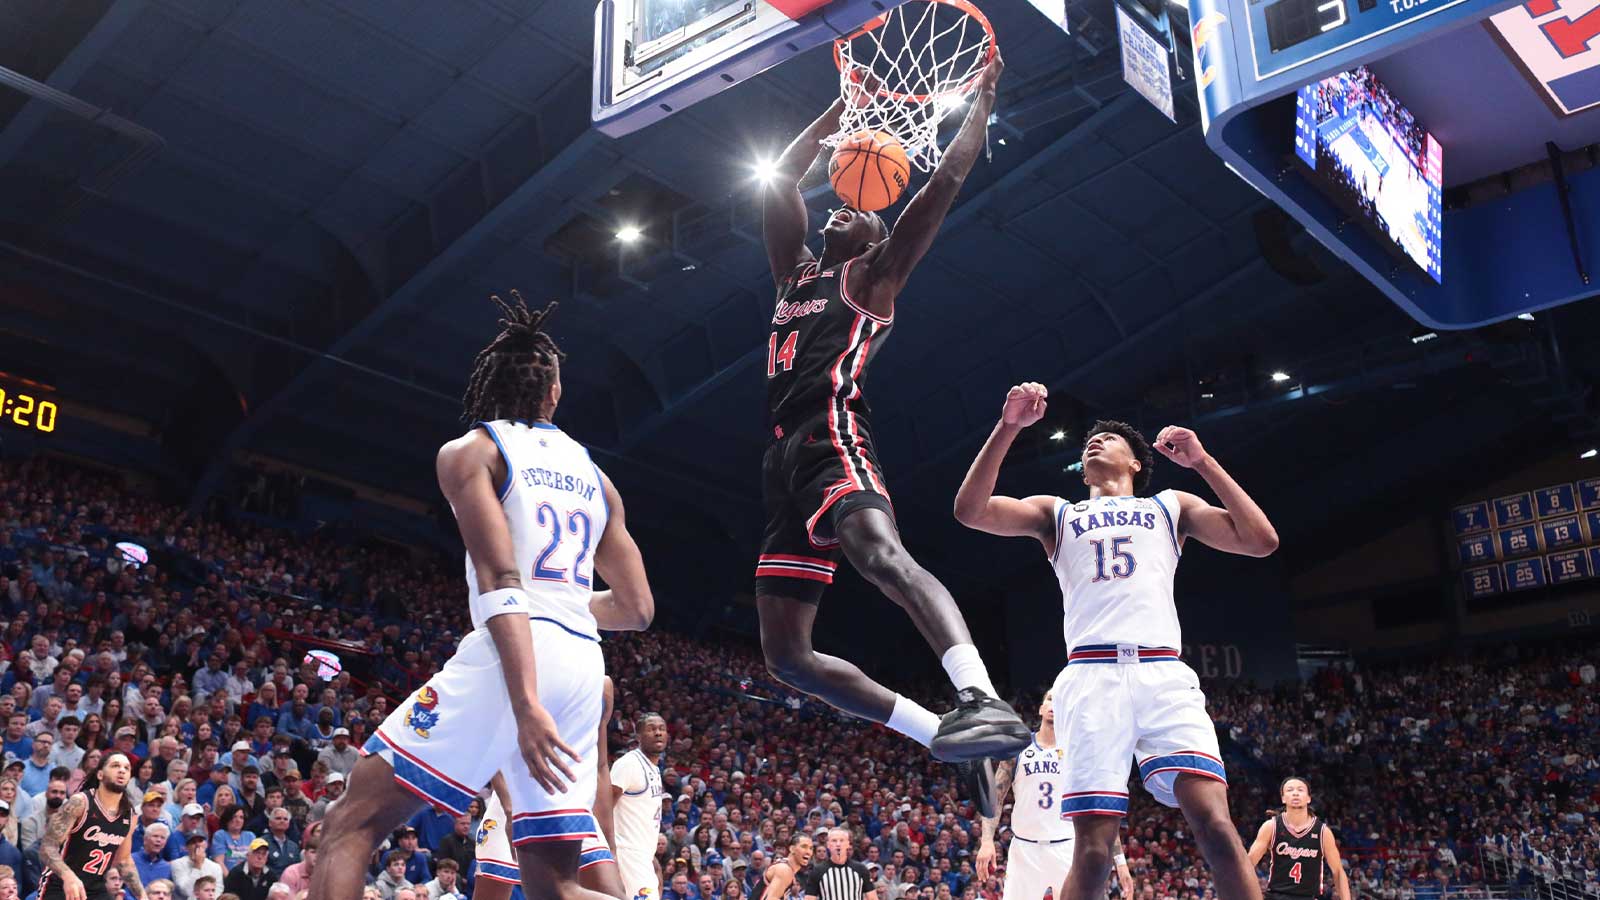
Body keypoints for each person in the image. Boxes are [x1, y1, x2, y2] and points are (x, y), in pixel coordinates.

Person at [311, 294, 656, 900]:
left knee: (349, 822)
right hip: (582, 663)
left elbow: (502, 581)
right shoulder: (598, 479)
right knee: (553, 887)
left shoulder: (472, 452)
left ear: (492, 387)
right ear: (553, 394)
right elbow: (637, 610)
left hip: (516, 658)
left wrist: (525, 703)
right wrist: (569, 604)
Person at [752, 47, 1024, 803]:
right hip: (782, 461)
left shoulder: (875, 276)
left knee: (877, 554)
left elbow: (945, 181)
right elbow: (779, 175)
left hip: (834, 433)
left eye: (867, 209)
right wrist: (843, 115)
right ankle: (942, 736)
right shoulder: (794, 273)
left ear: (878, 236)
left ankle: (978, 694)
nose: (849, 205)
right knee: (788, 658)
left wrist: (984, 99)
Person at [952, 384, 1279, 900]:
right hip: (1091, 677)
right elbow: (970, 510)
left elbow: (1261, 541)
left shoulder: (1172, 506)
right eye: (1089, 443)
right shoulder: (1057, 514)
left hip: (1163, 674)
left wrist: (1203, 462)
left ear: (1135, 463)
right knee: (1094, 849)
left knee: (1216, 826)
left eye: (1107, 439)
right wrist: (1008, 427)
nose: (1093, 444)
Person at [975, 691, 1133, 900]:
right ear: (1041, 709)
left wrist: (1120, 862)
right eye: (1050, 699)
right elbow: (994, 798)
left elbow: (1098, 810)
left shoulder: (1077, 754)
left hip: (1068, 848)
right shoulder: (1019, 750)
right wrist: (987, 841)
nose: (1053, 705)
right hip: (1025, 851)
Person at [476, 679, 625, 900]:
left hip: (572, 800)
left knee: (612, 892)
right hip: (516, 797)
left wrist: (609, 842)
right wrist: (509, 808)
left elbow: (601, 766)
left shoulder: (602, 685)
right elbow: (491, 743)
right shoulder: (521, 668)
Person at [39, 752, 146, 900]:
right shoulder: (80, 803)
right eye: (115, 766)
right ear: (100, 775)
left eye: (126, 768)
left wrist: (142, 895)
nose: (122, 770)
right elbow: (47, 847)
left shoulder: (129, 814)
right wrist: (68, 876)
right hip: (61, 884)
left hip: (96, 889)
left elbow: (123, 861)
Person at [1247, 778, 1351, 900]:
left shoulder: (1323, 832)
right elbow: (1247, 865)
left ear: (1308, 798)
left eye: (1300, 790)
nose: (1295, 793)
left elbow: (1338, 872)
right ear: (1283, 798)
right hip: (1275, 896)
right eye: (1290, 790)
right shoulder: (1271, 827)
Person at [611, 712, 668, 900]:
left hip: (642, 854)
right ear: (638, 737)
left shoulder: (654, 767)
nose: (658, 733)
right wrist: (609, 849)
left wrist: (650, 856)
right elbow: (603, 806)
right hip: (627, 853)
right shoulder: (629, 764)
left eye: (661, 729)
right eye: (651, 729)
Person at [801, 830, 873, 900]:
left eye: (842, 840)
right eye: (834, 841)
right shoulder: (818, 871)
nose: (838, 844)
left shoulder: (861, 869)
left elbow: (872, 897)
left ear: (848, 844)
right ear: (828, 845)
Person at [758, 834, 812, 900]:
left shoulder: (787, 868)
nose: (808, 852)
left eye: (811, 848)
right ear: (792, 849)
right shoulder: (784, 869)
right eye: (804, 847)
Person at [171, 835, 223, 900]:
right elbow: (187, 891)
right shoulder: (177, 864)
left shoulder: (215, 867)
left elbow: (218, 891)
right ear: (187, 847)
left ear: (206, 844)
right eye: (193, 842)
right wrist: (197, 865)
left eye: (200, 841)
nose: (197, 844)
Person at [131, 825, 173, 890]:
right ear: (145, 839)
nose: (159, 840)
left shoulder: (166, 867)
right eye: (155, 836)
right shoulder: (131, 860)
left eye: (162, 838)